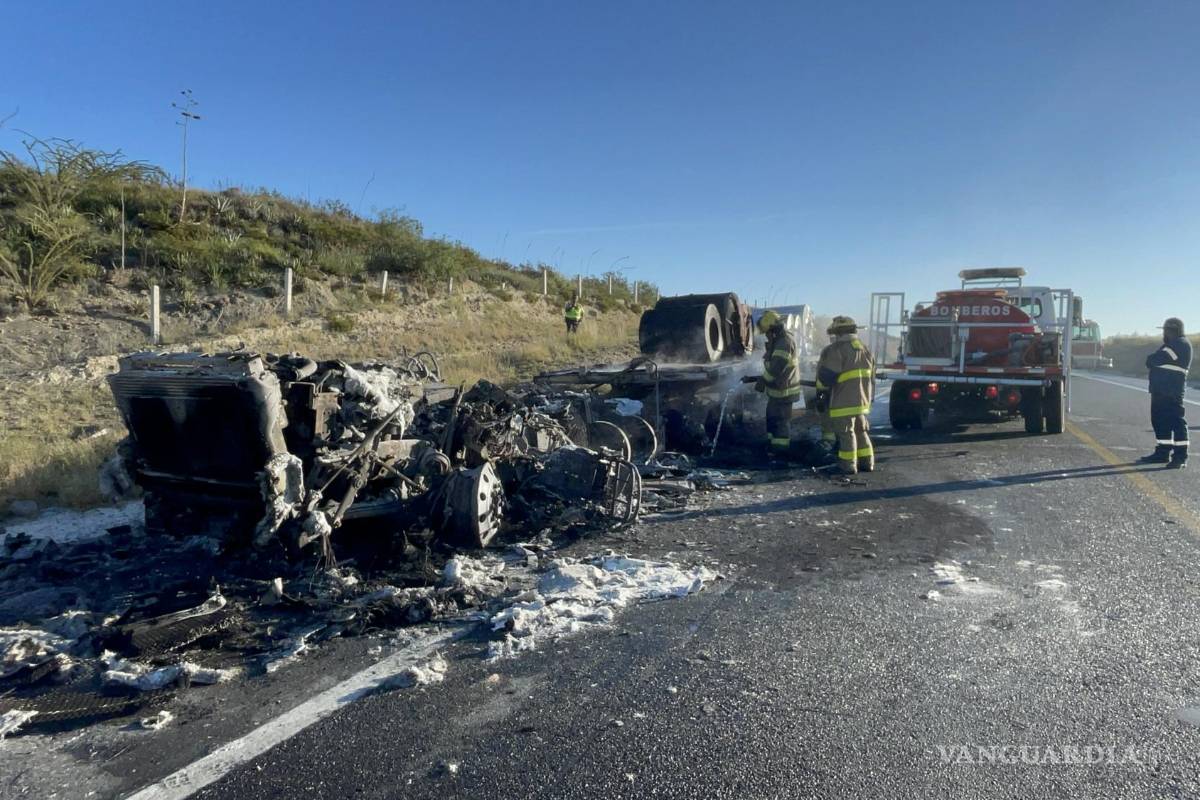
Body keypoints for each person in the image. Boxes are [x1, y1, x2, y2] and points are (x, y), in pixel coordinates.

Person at [816, 316, 875, 474]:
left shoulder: (837, 350)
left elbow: (827, 377)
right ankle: (867, 462)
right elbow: (872, 377)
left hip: (843, 401)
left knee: (846, 433)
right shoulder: (864, 348)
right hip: (862, 401)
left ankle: (848, 465)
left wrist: (821, 393)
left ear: (839, 333)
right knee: (860, 431)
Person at [1140, 317, 1191, 469]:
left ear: (1172, 330)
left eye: (1166, 330)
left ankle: (1180, 456)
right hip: (1160, 390)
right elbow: (1153, 360)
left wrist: (1153, 359)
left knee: (1176, 421)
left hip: (1171, 391)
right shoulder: (1171, 344)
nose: (1164, 333)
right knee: (1160, 421)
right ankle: (1162, 452)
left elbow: (1154, 359)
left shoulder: (1180, 344)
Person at [754, 310, 802, 457]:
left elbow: (777, 366)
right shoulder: (777, 340)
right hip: (777, 391)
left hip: (785, 391)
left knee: (780, 423)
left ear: (772, 329)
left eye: (766, 332)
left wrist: (763, 380)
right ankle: (771, 448)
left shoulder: (784, 342)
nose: (766, 335)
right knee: (772, 419)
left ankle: (781, 453)